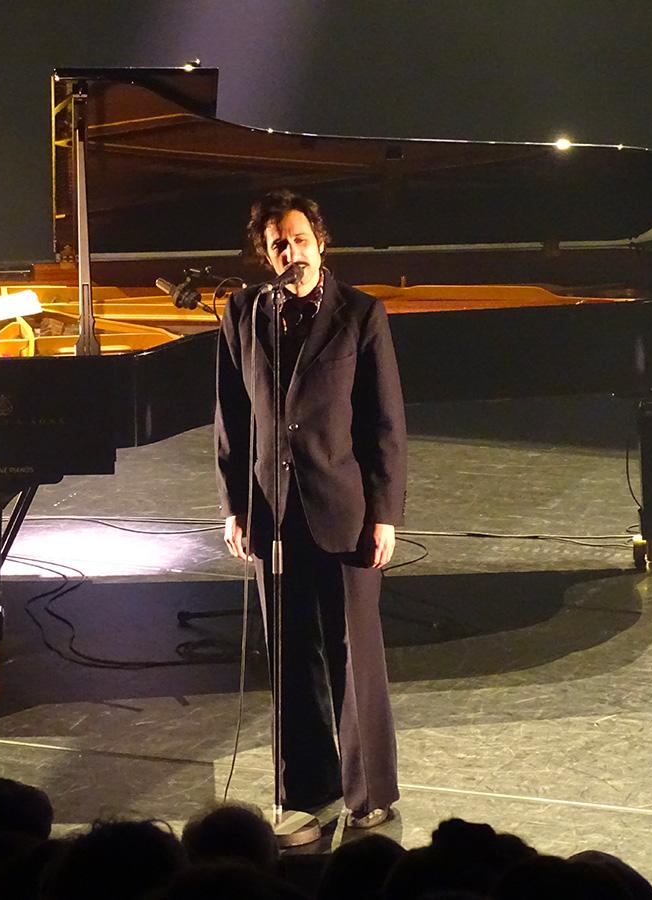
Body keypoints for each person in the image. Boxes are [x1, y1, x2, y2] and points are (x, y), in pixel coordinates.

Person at [215, 189, 407, 827]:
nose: (290, 252)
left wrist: (385, 513)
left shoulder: (361, 313)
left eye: (300, 240)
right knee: (290, 653)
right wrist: (235, 505)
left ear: (321, 243)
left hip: (343, 507)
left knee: (354, 656)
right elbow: (232, 417)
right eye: (278, 244)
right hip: (273, 510)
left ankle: (369, 794)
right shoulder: (244, 311)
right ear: (265, 254)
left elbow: (385, 421)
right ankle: (305, 786)